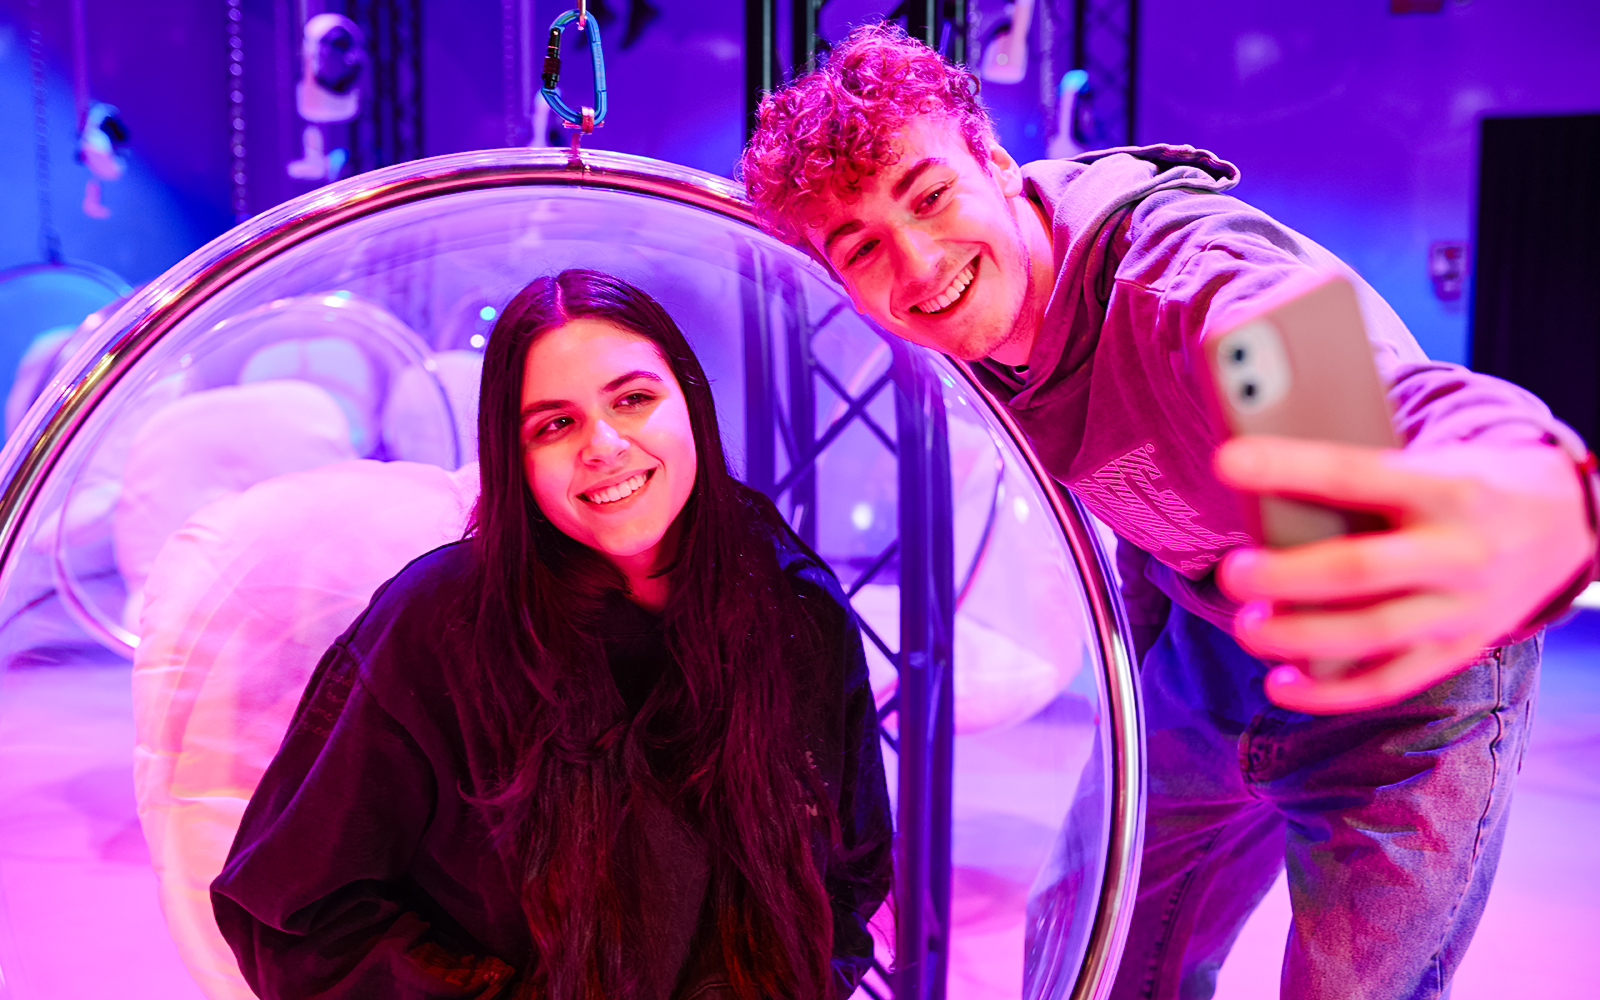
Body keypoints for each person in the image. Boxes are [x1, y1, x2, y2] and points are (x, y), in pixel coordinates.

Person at [738, 23, 1598, 1000]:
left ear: (995, 161)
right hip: (1216, 643)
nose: (921, 262)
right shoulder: (977, 324)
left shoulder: (1186, 281)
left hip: (1409, 670)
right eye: (863, 248)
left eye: (930, 198)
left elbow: (1363, 406)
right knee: (1094, 947)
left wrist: (1527, 480)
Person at [211, 269, 893, 1000]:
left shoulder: (789, 600)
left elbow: (848, 873)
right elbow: (291, 912)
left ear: (690, 402)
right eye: (554, 424)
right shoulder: (438, 626)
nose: (603, 445)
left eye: (633, 399)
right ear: (517, 459)